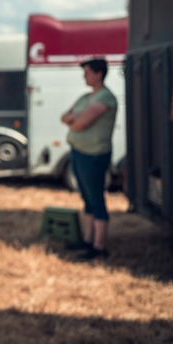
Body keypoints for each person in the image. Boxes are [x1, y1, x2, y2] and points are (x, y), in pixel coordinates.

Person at [61, 57, 118, 260]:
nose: (84, 76)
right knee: (87, 199)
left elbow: (80, 123)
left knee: (96, 199)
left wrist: (75, 119)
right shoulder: (86, 97)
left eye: (87, 72)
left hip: (94, 155)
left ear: (99, 74)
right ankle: (88, 240)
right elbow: (64, 117)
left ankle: (98, 247)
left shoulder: (105, 97)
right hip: (79, 152)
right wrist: (74, 119)